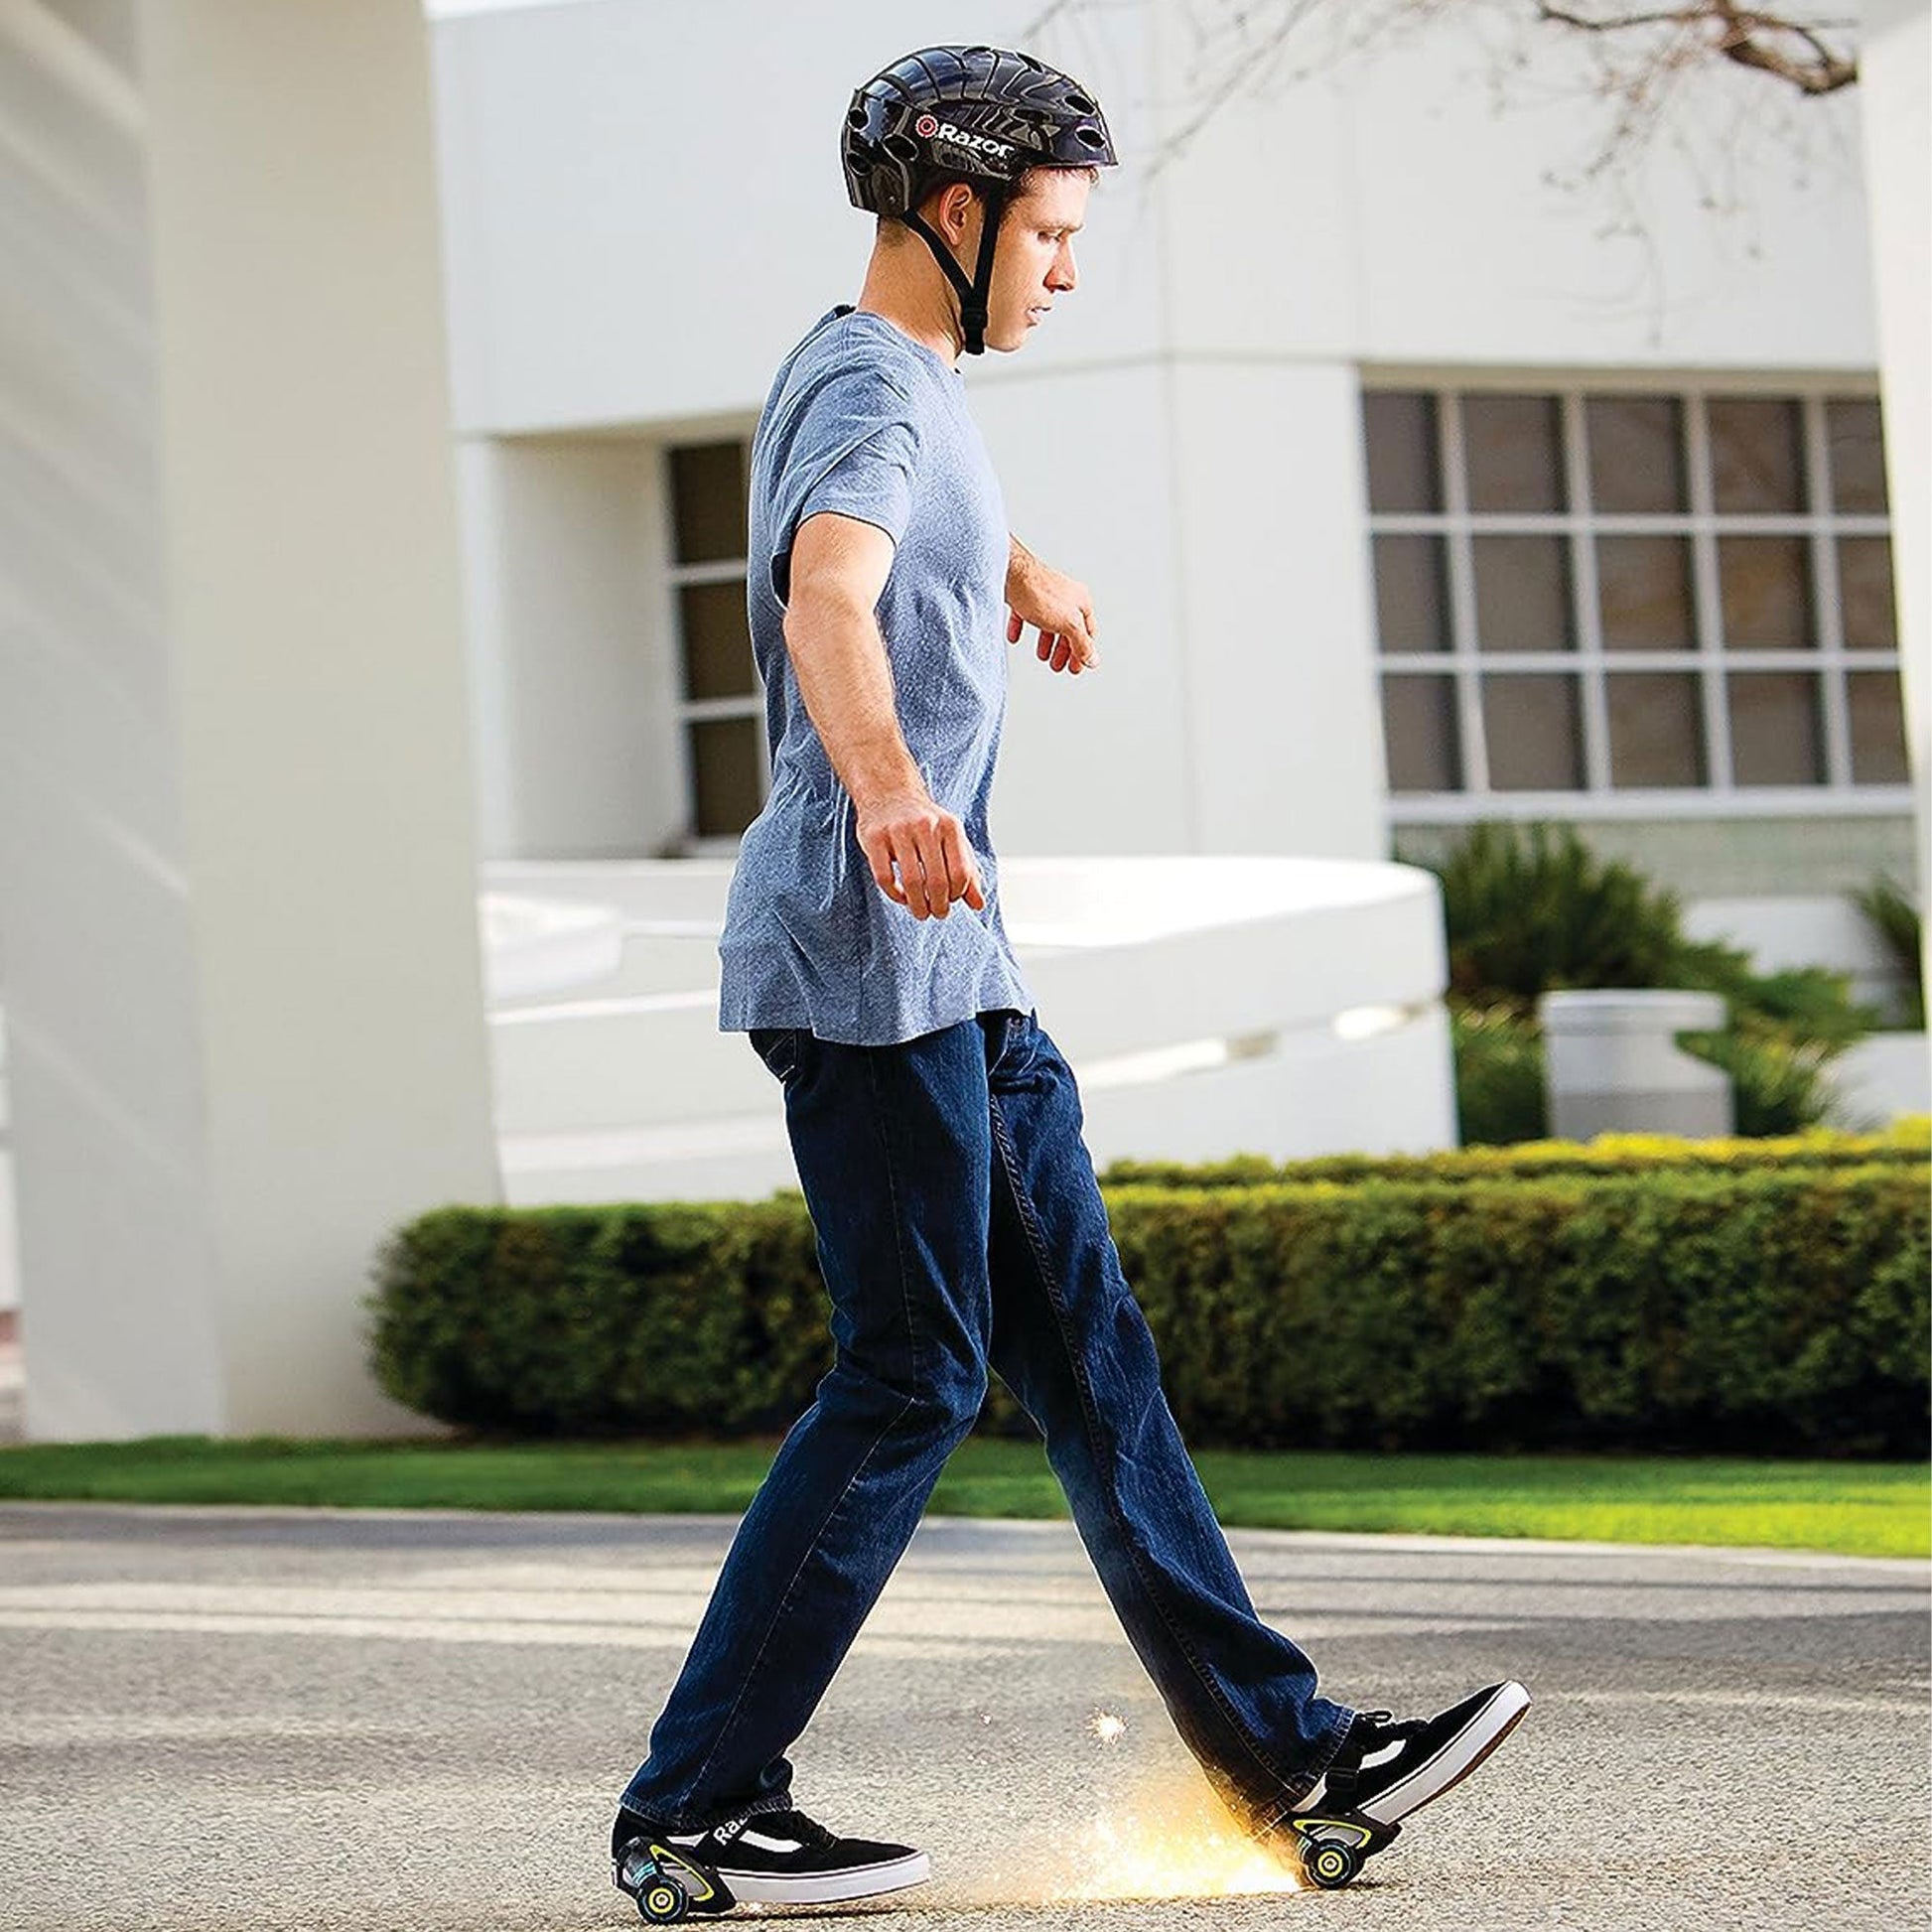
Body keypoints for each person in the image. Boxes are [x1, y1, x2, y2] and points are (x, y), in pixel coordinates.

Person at [611, 44, 1528, 1918]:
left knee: (1090, 1361)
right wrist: (887, 787)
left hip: (954, 960)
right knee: (911, 1369)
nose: (1066, 270)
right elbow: (825, 589)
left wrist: (1017, 564)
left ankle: (1289, 1758)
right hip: (872, 956)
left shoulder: (898, 379)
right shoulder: (871, 381)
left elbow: (889, 526)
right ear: (955, 212)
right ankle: (695, 1806)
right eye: (1048, 235)